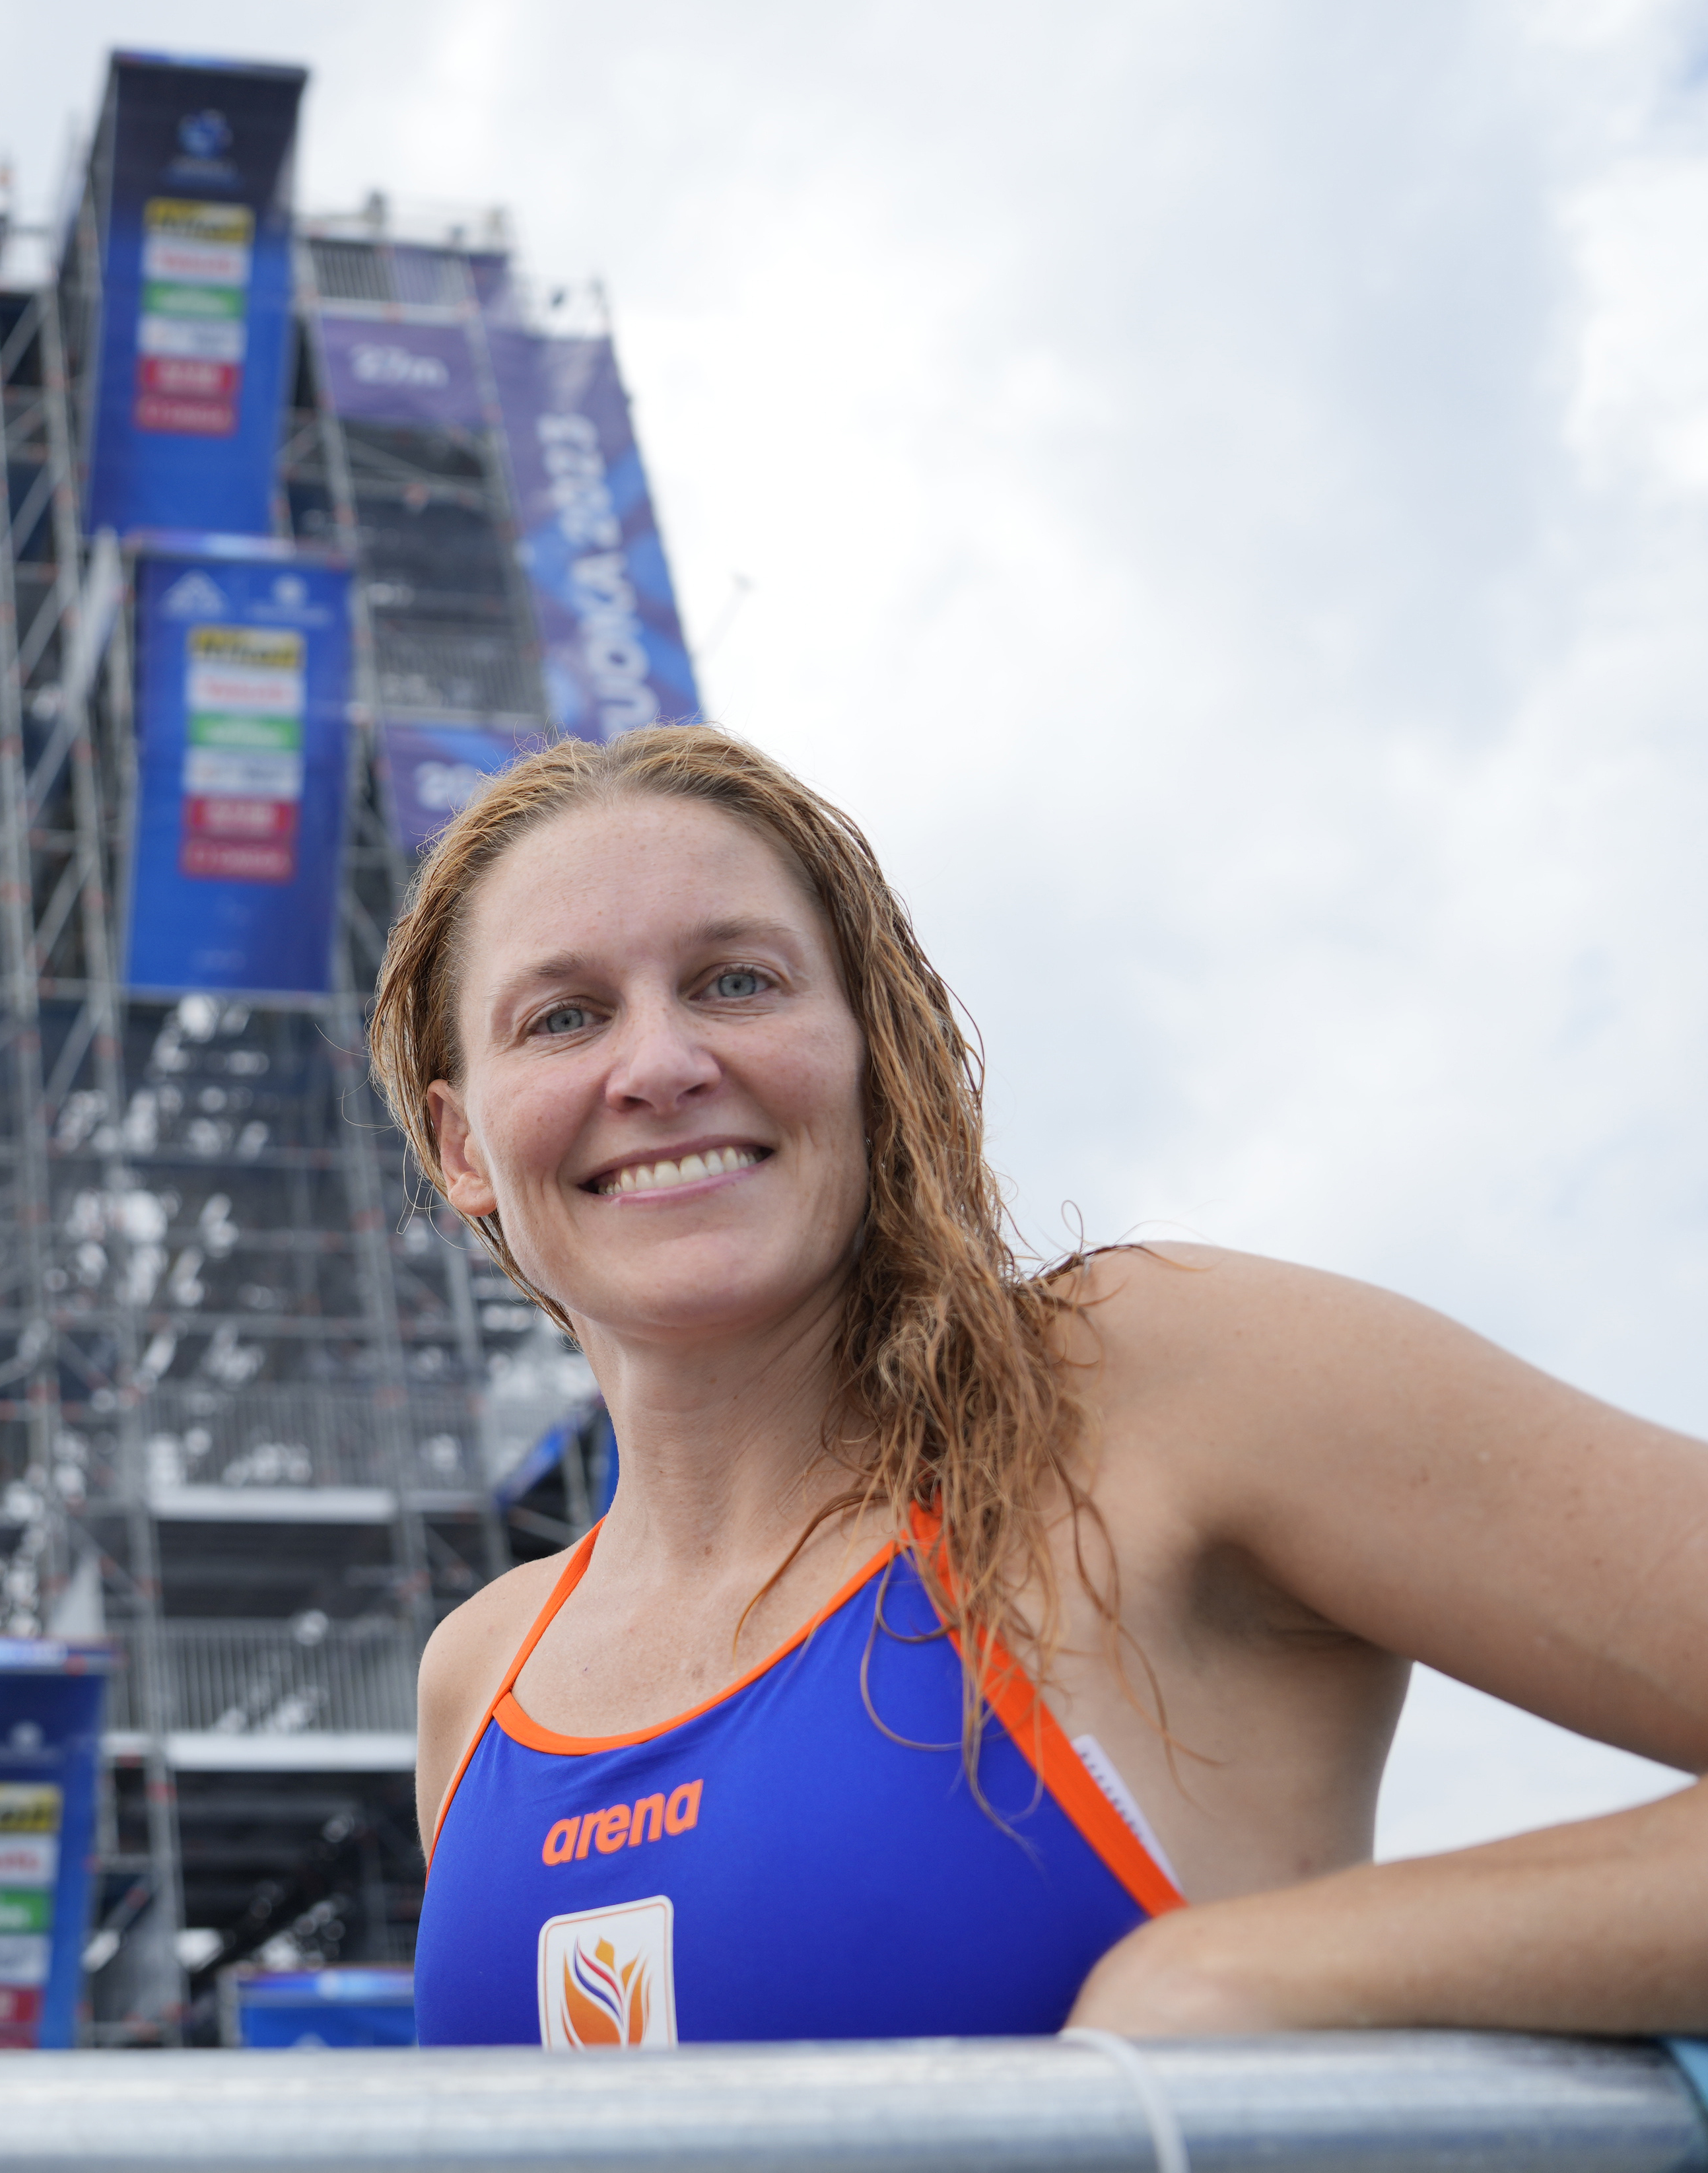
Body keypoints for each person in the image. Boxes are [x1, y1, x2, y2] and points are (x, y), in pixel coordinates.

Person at [378, 726, 1708, 2047]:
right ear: (461, 1144)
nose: (658, 1062)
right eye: (564, 1015)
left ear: (866, 1045)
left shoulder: (1147, 1393)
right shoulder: (480, 1675)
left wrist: (1259, 1967)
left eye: (735, 981)